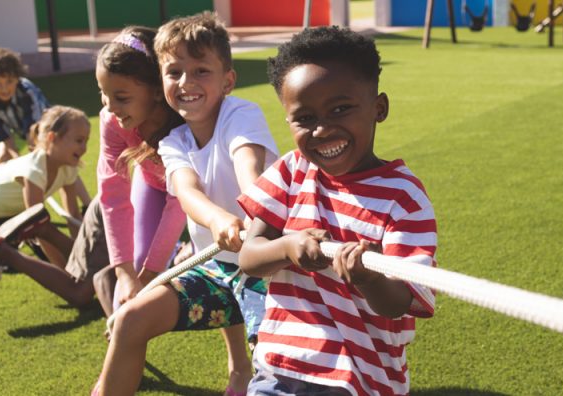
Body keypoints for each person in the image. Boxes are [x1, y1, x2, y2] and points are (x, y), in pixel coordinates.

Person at [237, 27, 438, 395]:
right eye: (305, 117)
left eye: (341, 109)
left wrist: (369, 277)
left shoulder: (404, 196)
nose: (322, 129)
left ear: (379, 108)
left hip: (361, 380)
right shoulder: (291, 171)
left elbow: (401, 302)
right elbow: (249, 256)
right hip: (280, 369)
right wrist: (287, 248)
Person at [94, 13, 278, 396]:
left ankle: (250, 372)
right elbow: (186, 191)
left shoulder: (241, 115)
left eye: (200, 71)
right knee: (129, 319)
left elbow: (249, 165)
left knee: (275, 365)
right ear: (162, 83)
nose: (186, 83)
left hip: (270, 272)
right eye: (174, 72)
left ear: (228, 79)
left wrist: (250, 211)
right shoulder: (174, 141)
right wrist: (218, 220)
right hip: (216, 270)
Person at [94, 26, 188, 316]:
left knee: (217, 265)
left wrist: (150, 275)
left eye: (121, 98)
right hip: (152, 184)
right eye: (103, 94)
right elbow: (112, 195)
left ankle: (236, 356)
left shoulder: (187, 123)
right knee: (135, 265)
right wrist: (125, 274)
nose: (111, 107)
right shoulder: (112, 121)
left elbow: (179, 202)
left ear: (157, 92)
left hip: (197, 194)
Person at [0, 105, 93, 295]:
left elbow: (72, 215)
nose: (84, 148)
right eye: (79, 141)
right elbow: (38, 227)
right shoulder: (34, 170)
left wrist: (79, 255)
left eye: (86, 141)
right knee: (4, 262)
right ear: (52, 138)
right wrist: (68, 273)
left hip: (15, 213)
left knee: (44, 248)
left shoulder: (68, 168)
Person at [0, 47, 50, 168]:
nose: (4, 89)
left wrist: (30, 162)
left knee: (47, 161)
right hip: (18, 130)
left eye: (9, 81)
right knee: (2, 156)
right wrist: (14, 156)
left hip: (45, 129)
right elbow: (2, 134)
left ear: (17, 78)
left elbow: (33, 133)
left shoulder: (27, 93)